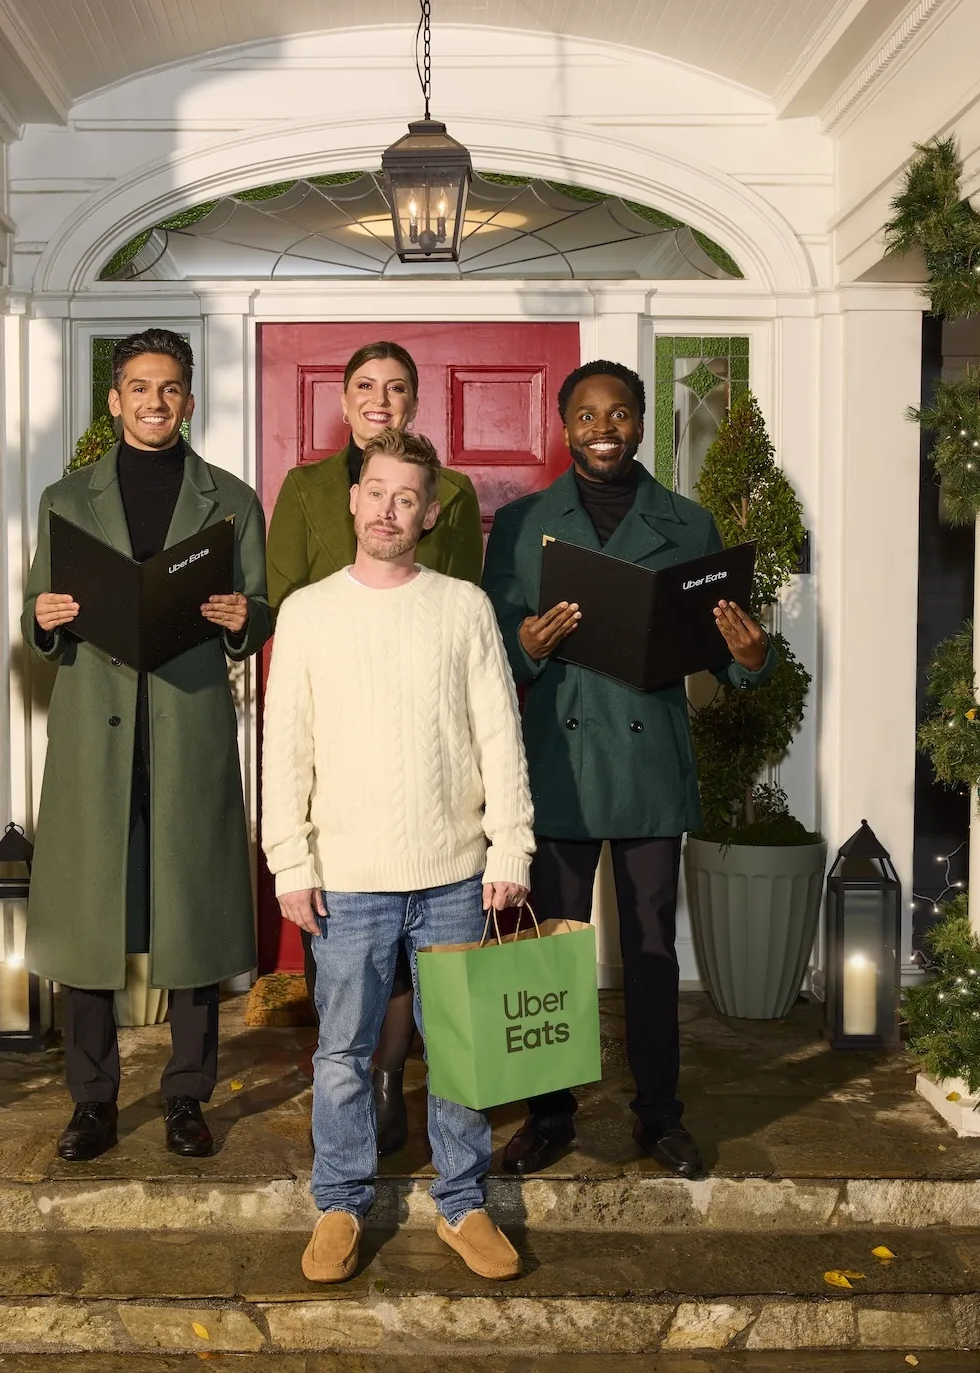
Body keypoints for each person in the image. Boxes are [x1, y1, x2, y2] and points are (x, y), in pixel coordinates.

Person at [481, 360, 774, 1182]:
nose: (602, 427)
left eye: (618, 413)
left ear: (642, 424)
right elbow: (489, 636)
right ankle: (549, 1114)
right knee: (552, 952)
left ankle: (659, 1114)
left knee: (649, 950)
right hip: (558, 765)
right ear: (564, 426)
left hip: (648, 762)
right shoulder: (524, 522)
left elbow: (727, 640)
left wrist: (752, 657)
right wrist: (525, 645)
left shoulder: (686, 522)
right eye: (585, 414)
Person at [262, 427, 533, 1285]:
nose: (388, 510)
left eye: (406, 497)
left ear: (429, 511)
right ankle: (340, 1202)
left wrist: (510, 846)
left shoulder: (462, 606)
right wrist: (288, 861)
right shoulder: (307, 611)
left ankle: (463, 1202)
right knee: (342, 1052)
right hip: (346, 878)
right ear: (353, 498)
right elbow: (286, 748)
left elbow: (499, 733)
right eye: (376, 491)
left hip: (454, 871)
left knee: (456, 1051)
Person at [22, 327, 273, 1164]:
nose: (154, 402)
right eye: (139, 386)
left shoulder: (233, 501)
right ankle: (92, 1101)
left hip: (189, 726)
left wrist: (245, 620)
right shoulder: (64, 499)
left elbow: (259, 607)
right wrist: (44, 618)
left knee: (190, 913)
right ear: (114, 398)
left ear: (189, 400)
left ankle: (187, 1096)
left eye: (169, 388)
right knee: (91, 916)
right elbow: (37, 612)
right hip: (94, 736)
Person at [264, 341, 483, 1158]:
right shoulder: (308, 489)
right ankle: (357, 1129)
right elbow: (284, 594)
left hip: (425, 762)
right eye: (365, 385)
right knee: (355, 969)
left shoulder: (450, 496)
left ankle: (400, 1082)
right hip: (340, 734)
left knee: (438, 981)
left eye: (397, 387)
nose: (380, 398)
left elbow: (461, 614)